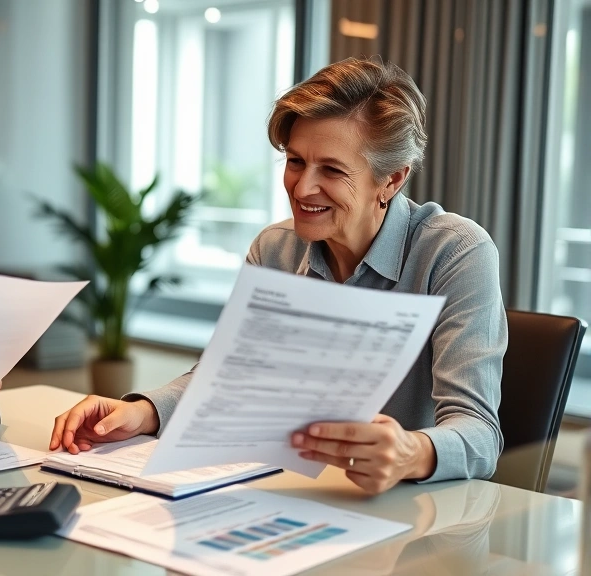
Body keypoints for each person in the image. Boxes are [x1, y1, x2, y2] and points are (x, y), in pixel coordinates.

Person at [49, 57, 506, 495]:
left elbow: (480, 433)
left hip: (413, 514)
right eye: (295, 161)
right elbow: (225, 379)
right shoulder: (275, 249)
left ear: (390, 180)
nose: (303, 188)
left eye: (331, 169)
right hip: (292, 492)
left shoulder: (455, 253)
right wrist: (142, 411)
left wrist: (412, 452)